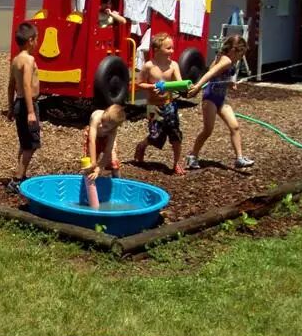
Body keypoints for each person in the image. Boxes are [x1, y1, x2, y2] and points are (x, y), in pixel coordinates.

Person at [186, 35, 255, 169]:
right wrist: (197, 87)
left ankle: (239, 159)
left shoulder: (228, 60)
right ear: (234, 50)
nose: (241, 57)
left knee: (234, 126)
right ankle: (192, 156)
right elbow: (210, 73)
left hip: (221, 99)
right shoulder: (226, 60)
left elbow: (219, 77)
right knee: (208, 130)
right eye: (241, 54)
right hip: (210, 98)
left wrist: (229, 83)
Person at [134, 33, 185, 175]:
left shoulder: (173, 65)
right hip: (153, 106)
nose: (172, 51)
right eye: (168, 48)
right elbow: (138, 84)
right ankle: (142, 145)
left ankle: (176, 163)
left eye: (172, 48)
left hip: (169, 105)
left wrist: (185, 87)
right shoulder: (149, 66)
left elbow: (180, 84)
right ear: (156, 49)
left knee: (175, 134)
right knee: (155, 135)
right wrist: (152, 86)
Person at [6, 22, 41, 194]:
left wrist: (10, 107)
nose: (37, 43)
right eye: (36, 39)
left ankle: (21, 173)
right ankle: (17, 179)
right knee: (31, 145)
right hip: (28, 104)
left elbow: (11, 86)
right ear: (30, 40)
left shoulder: (15, 60)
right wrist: (31, 112)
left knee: (24, 142)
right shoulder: (29, 60)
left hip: (19, 103)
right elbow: (26, 85)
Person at [81, 105, 127, 206]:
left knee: (114, 163)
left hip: (106, 138)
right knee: (88, 164)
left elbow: (108, 151)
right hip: (93, 137)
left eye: (106, 126)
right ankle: (87, 190)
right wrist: (93, 163)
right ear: (104, 112)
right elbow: (92, 141)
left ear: (113, 127)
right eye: (102, 121)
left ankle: (118, 188)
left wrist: (99, 169)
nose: (101, 125)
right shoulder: (96, 117)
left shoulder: (112, 131)